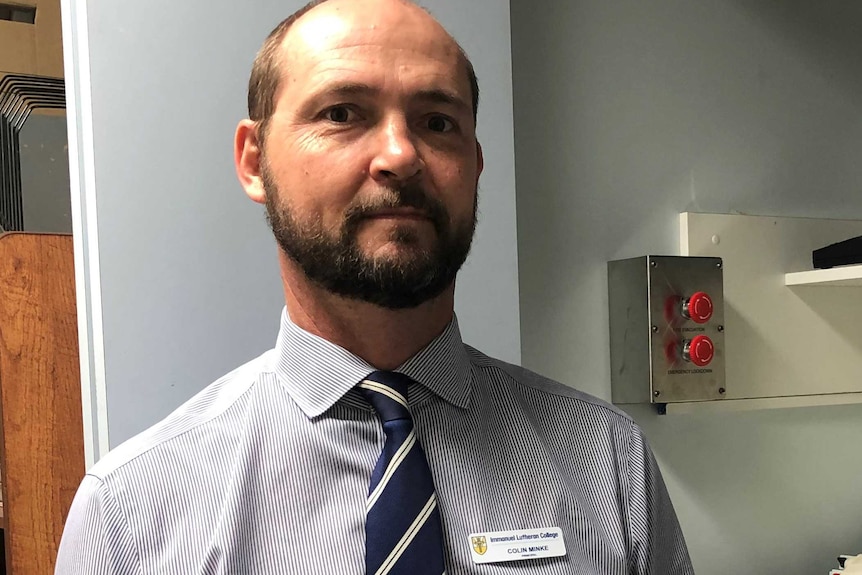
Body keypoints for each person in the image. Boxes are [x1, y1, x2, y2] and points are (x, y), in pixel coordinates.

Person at [55, 0, 695, 573]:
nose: (400, 155)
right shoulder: (131, 512)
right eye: (342, 113)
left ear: (475, 164)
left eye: (438, 122)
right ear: (255, 160)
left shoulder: (607, 461)